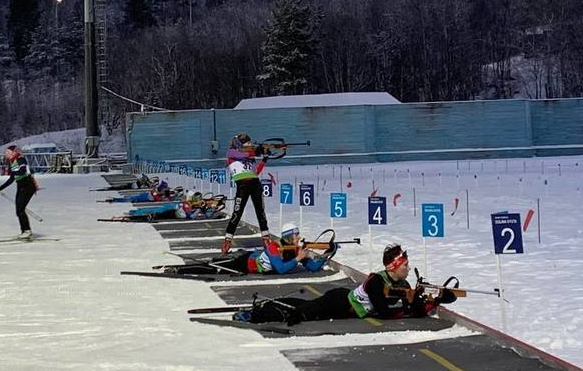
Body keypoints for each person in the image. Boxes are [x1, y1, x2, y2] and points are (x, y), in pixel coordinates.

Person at [236, 243, 455, 324]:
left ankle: (266, 306)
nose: (408, 268)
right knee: (300, 314)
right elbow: (385, 314)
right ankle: (255, 315)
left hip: (344, 308)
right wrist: (411, 303)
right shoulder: (376, 281)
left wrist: (435, 300)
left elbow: (413, 311)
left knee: (302, 305)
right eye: (404, 265)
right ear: (393, 267)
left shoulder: (404, 284)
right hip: (340, 302)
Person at [167, 224, 334, 276]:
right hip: (245, 263)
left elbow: (312, 267)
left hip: (251, 262)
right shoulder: (274, 246)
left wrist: (327, 255)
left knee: (215, 266)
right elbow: (281, 269)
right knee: (213, 267)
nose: (299, 238)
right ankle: (178, 270)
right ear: (289, 237)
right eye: (296, 235)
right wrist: (298, 259)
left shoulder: (294, 250)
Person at [222, 133, 271, 253]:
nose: (250, 145)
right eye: (247, 143)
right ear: (239, 144)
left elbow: (255, 172)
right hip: (242, 185)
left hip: (255, 183)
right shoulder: (232, 153)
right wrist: (256, 151)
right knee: (237, 213)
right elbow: (242, 154)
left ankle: (266, 237)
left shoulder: (250, 156)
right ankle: (228, 239)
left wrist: (264, 159)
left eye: (250, 143)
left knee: (261, 212)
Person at [0, 145, 37, 238]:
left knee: (20, 209)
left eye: (7, 152)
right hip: (21, 185)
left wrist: (12, 173)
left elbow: (22, 171)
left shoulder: (20, 159)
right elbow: (11, 179)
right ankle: (25, 231)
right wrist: (0, 188)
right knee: (19, 210)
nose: (5, 154)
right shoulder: (13, 162)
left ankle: (26, 231)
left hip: (27, 185)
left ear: (13, 152)